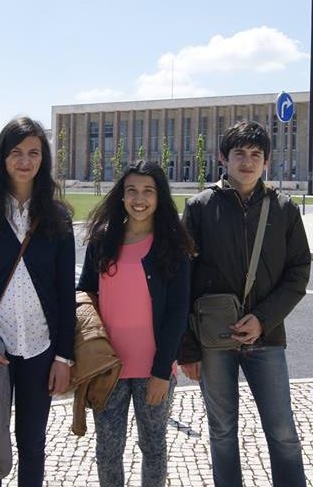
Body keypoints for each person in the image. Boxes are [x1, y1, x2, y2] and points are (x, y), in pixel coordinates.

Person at [178, 120, 311, 487]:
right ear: (223, 157)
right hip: (213, 340)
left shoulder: (284, 209)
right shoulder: (200, 207)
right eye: (239, 153)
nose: (247, 162)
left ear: (266, 161)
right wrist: (187, 347)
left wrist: (263, 319)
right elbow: (182, 280)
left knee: (283, 432)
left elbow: (298, 272)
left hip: (266, 338)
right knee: (222, 432)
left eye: (256, 154)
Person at [0, 117, 76, 487]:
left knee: (33, 444)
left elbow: (65, 293)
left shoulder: (58, 218)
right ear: (2, 158)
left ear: (44, 159)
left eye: (34, 153)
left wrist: (64, 357)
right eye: (17, 152)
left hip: (41, 350)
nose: (25, 161)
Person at [77, 161, 193, 487]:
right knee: (107, 450)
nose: (139, 199)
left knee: (153, 448)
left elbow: (177, 312)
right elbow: (84, 296)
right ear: (121, 195)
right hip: (108, 368)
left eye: (147, 191)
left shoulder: (173, 245)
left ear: (159, 197)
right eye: (131, 191)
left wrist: (161, 371)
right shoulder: (102, 240)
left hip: (153, 369)